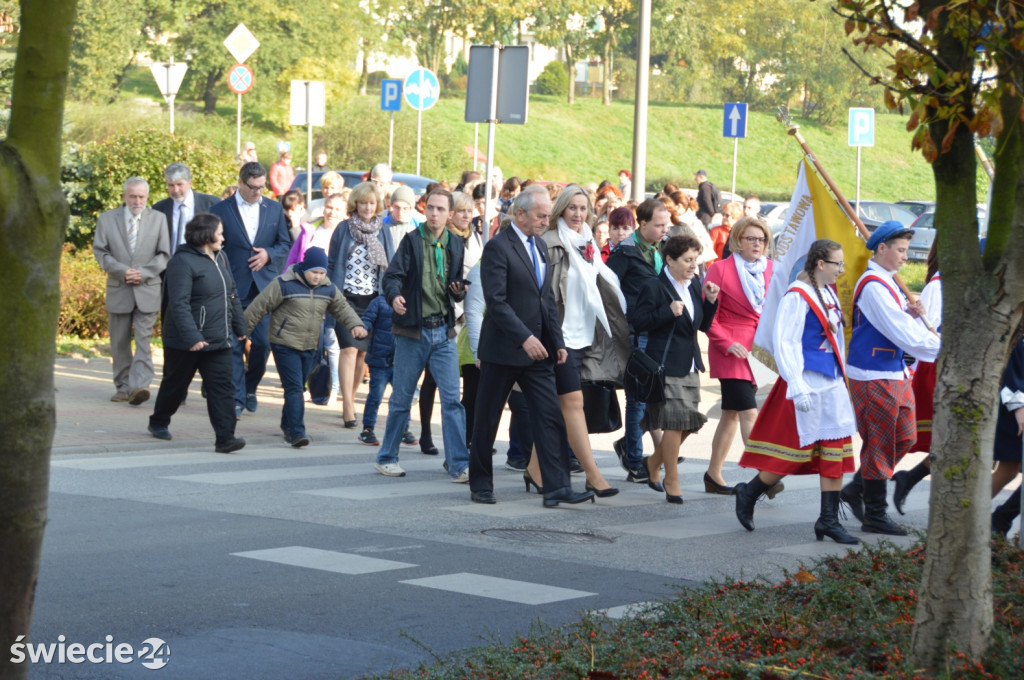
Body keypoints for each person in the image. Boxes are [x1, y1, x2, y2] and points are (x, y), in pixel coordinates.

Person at [468, 185, 596, 507]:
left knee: (550, 417)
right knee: (487, 419)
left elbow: (547, 300)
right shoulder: (498, 247)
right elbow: (496, 303)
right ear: (520, 214)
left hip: (539, 351)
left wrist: (557, 342)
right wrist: (524, 338)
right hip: (504, 350)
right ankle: (481, 483)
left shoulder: (539, 245)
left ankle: (556, 487)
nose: (545, 221)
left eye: (547, 215)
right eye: (540, 215)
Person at [733, 239, 858, 543]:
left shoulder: (827, 293)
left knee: (835, 451)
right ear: (820, 264)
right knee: (795, 452)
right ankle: (749, 492)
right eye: (837, 264)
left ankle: (827, 520)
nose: (841, 270)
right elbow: (786, 341)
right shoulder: (798, 295)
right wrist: (797, 385)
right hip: (807, 382)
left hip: (831, 382)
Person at [840, 220, 940, 535]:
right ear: (881, 248)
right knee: (881, 443)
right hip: (872, 374)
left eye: (906, 250)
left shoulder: (886, 282)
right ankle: (876, 514)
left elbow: (898, 323)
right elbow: (899, 331)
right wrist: (941, 345)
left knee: (905, 437)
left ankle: (858, 487)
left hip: (893, 371)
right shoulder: (873, 286)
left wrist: (910, 315)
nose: (904, 257)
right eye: (900, 250)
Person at [530, 184, 629, 497]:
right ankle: (593, 475)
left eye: (583, 208)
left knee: (563, 407)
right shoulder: (549, 243)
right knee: (574, 404)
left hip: (587, 336)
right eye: (572, 207)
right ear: (561, 209)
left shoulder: (587, 242)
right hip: (559, 338)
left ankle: (534, 469)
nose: (578, 214)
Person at [377, 189, 470, 481]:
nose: (434, 214)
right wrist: (394, 297)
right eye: (430, 208)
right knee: (402, 398)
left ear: (450, 214)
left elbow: (454, 285)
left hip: (443, 331)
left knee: (453, 401)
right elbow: (391, 276)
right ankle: (387, 457)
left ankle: (458, 464)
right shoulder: (412, 240)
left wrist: (459, 291)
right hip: (412, 331)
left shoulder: (455, 243)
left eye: (440, 209)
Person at [243, 247, 367, 448]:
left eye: (322, 273)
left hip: (309, 345)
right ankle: (297, 432)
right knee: (294, 388)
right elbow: (259, 306)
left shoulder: (328, 288)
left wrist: (356, 325)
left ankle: (287, 424)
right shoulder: (284, 284)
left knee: (298, 387)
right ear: (304, 268)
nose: (318, 277)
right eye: (314, 272)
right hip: (284, 344)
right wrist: (243, 330)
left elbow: (342, 308)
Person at [631, 235, 720, 503]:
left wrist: (711, 302)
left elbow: (700, 326)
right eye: (687, 260)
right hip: (665, 364)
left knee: (688, 424)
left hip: (689, 363)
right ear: (670, 260)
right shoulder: (654, 287)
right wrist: (668, 311)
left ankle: (652, 464)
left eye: (695, 259)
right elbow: (638, 322)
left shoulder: (695, 285)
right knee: (673, 423)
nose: (694, 265)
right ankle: (672, 478)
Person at [148, 213, 247, 453]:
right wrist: (192, 337)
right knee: (175, 385)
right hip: (187, 341)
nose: (223, 238)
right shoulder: (182, 262)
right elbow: (178, 304)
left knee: (222, 389)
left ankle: (225, 438)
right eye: (220, 233)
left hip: (218, 339)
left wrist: (240, 326)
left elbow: (231, 293)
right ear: (205, 235)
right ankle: (159, 420)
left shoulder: (220, 257)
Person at [210, 162, 293, 419]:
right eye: (253, 188)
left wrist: (269, 254)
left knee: (264, 342)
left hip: (264, 287)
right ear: (241, 183)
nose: (258, 192)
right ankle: (236, 398)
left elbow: (285, 243)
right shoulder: (220, 210)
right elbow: (214, 248)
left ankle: (250, 386)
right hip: (234, 285)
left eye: (262, 187)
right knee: (234, 343)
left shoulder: (274, 208)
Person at [702, 216, 775, 495]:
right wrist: (725, 342)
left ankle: (713, 474)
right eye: (751, 238)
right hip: (731, 349)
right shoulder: (720, 269)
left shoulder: (772, 269)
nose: (757, 244)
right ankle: (764, 478)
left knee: (730, 414)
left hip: (759, 350)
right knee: (748, 411)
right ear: (737, 240)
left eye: (762, 239)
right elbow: (709, 317)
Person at [607, 198, 672, 483]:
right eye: (658, 225)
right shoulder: (625, 252)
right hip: (635, 332)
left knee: (654, 397)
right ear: (642, 224)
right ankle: (635, 461)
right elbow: (607, 288)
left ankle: (629, 446)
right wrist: (626, 319)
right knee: (637, 400)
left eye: (666, 225)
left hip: (657, 329)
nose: (663, 230)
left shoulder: (660, 249)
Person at [92, 177, 170, 406]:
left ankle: (141, 385)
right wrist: (123, 271)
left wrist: (143, 272)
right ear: (124, 196)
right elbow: (101, 252)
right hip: (119, 287)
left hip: (147, 288)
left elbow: (164, 254)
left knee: (144, 341)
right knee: (119, 341)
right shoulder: (107, 220)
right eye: (133, 196)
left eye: (142, 197)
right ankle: (123, 387)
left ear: (147, 197)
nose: (137, 201)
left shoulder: (158, 219)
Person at [417, 191, 482, 456]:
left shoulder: (475, 237)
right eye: (461, 211)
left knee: (468, 383)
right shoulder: (444, 238)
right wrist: (458, 307)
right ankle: (425, 433)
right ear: (450, 213)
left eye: (470, 211)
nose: (467, 216)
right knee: (433, 380)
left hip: (472, 315)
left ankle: (466, 440)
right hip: (449, 315)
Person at [326, 181, 394, 428]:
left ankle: (351, 397)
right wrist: (328, 296)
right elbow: (332, 264)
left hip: (373, 301)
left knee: (363, 353)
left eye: (372, 203)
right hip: (345, 299)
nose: (367, 207)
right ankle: (348, 407)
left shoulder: (383, 230)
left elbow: (391, 265)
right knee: (349, 349)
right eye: (363, 202)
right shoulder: (344, 229)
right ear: (356, 203)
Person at [893, 241, 941, 513]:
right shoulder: (938, 285)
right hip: (934, 367)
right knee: (912, 436)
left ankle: (908, 478)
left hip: (949, 366)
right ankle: (863, 486)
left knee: (948, 441)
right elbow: (927, 331)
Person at [357, 293, 415, 446]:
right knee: (375, 397)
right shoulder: (379, 302)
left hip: (401, 360)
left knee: (403, 397)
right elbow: (368, 319)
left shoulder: (413, 300)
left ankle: (403, 429)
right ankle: (367, 429)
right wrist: (362, 328)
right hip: (379, 359)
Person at [991, 334, 1024, 537]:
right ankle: (960, 516)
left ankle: (1000, 520)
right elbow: (1013, 373)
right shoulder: (1019, 339)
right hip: (1016, 410)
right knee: (1008, 470)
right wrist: (1020, 408)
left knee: (1008, 470)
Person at [152, 163, 219, 256]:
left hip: (201, 264)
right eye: (171, 185)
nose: (175, 190)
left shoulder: (212, 204)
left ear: (190, 183)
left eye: (180, 184)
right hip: (169, 266)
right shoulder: (159, 209)